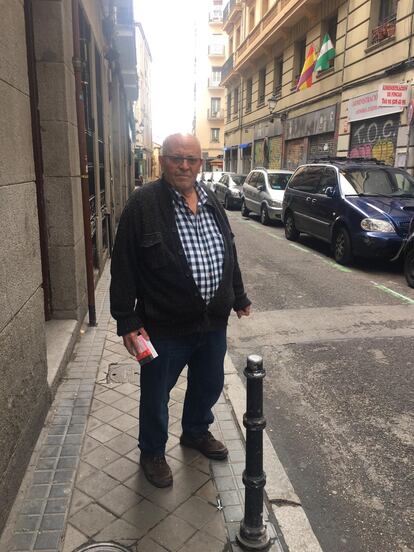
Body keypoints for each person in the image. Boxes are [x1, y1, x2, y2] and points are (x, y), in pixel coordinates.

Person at [110, 133, 251, 488]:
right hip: (163, 324)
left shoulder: (210, 199)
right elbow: (124, 263)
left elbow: (227, 251)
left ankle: (195, 431)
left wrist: (238, 295)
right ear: (162, 161)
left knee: (209, 383)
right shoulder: (143, 204)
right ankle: (153, 451)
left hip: (211, 322)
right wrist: (126, 318)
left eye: (191, 159)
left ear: (200, 164)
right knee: (156, 393)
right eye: (176, 158)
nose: (184, 165)